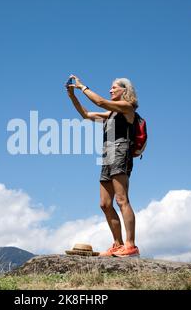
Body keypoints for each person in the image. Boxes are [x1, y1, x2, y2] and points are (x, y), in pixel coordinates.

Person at [66, 75, 140, 257]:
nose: (111, 90)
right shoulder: (110, 114)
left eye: (114, 87)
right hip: (107, 156)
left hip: (120, 153)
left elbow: (99, 102)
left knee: (121, 199)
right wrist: (72, 96)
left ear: (125, 90)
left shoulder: (127, 108)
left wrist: (82, 87)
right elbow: (86, 114)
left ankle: (131, 246)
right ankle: (118, 244)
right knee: (105, 204)